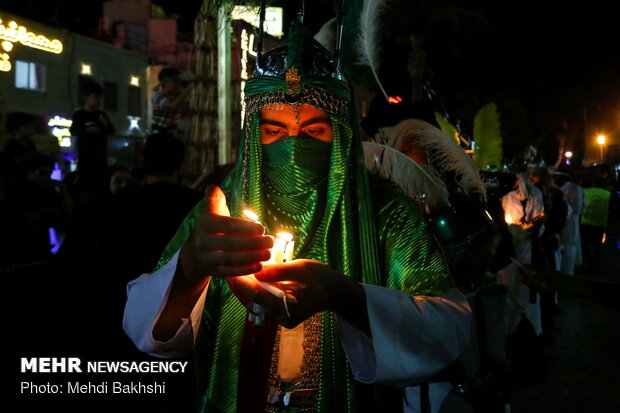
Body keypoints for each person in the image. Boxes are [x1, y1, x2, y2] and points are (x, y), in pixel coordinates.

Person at [124, 21, 471, 412]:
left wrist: (345, 296)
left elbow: (449, 328)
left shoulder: (381, 209)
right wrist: (189, 268)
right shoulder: (227, 204)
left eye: (313, 132)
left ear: (339, 135)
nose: (292, 147)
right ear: (255, 135)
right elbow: (143, 328)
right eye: (275, 132)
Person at [70, 81, 115, 199]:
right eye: (95, 97)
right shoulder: (79, 114)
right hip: (85, 156)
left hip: (100, 156)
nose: (98, 101)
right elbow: (73, 130)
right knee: (85, 186)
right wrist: (87, 130)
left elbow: (112, 130)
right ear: (86, 97)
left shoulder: (101, 115)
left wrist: (105, 124)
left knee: (100, 187)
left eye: (100, 97)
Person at [553, 172, 583, 275]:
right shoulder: (567, 188)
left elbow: (575, 208)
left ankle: (567, 275)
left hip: (570, 225)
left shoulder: (574, 189)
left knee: (569, 249)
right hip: (566, 225)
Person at [580, 177, 611, 272]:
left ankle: (588, 264)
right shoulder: (607, 194)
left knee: (586, 245)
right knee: (597, 245)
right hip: (601, 223)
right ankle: (595, 264)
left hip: (586, 222)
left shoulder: (585, 191)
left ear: (592, 183)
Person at [151, 67, 193, 135]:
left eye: (179, 81)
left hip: (170, 135)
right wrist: (188, 89)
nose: (178, 84)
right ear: (165, 83)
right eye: (174, 81)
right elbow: (172, 105)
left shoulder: (176, 95)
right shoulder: (156, 96)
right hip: (158, 137)